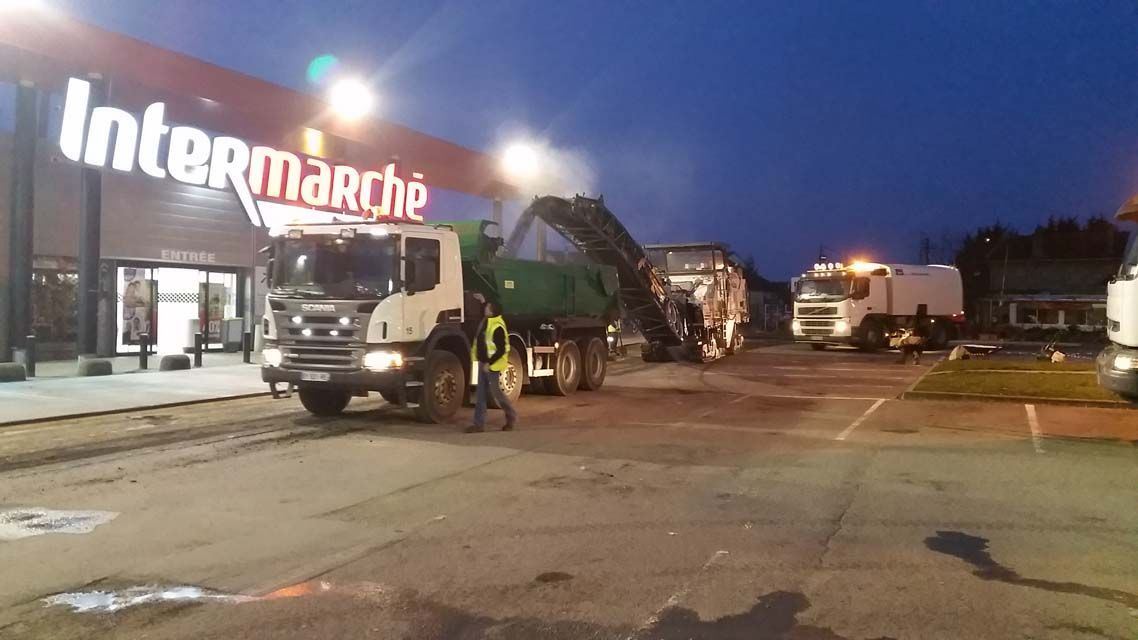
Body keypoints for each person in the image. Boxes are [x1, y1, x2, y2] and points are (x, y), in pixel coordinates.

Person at [465, 300, 518, 433]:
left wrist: (489, 363)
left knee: (497, 394)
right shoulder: (485, 322)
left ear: (493, 311)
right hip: (483, 363)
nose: (485, 309)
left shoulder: (497, 326)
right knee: (481, 395)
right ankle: (479, 425)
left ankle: (511, 416)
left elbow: (501, 349)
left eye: (488, 307)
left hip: (492, 366)